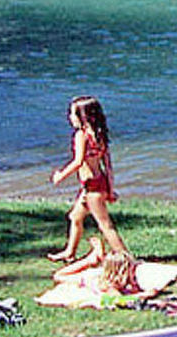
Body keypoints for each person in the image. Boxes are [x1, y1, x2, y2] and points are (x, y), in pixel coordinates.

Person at [48, 96, 131, 263]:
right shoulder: (99, 135)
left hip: (93, 188)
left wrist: (60, 176)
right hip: (96, 184)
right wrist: (110, 189)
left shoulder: (81, 136)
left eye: (72, 113)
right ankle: (69, 253)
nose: (70, 117)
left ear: (83, 116)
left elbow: (78, 162)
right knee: (75, 217)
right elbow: (107, 165)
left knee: (105, 225)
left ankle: (127, 259)